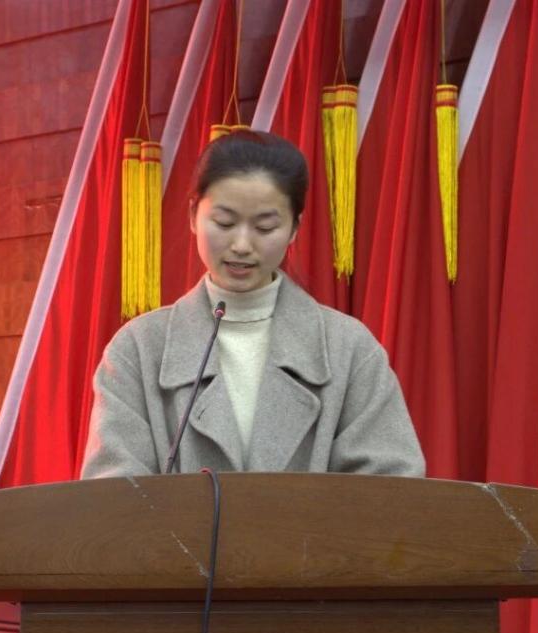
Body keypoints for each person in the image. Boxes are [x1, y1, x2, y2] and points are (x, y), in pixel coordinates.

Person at [80, 130, 424, 478]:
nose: (242, 245)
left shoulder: (349, 349)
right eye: (224, 222)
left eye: (265, 227)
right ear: (193, 215)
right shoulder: (138, 350)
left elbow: (392, 488)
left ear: (294, 228)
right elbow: (114, 494)